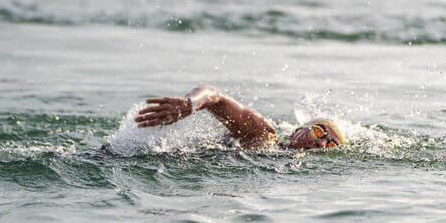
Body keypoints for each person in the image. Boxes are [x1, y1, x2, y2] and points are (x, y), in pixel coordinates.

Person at [135, 84, 345, 150]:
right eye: (319, 132)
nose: (321, 143)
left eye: (330, 145)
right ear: (298, 130)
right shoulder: (262, 133)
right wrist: (190, 104)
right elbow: (215, 96)